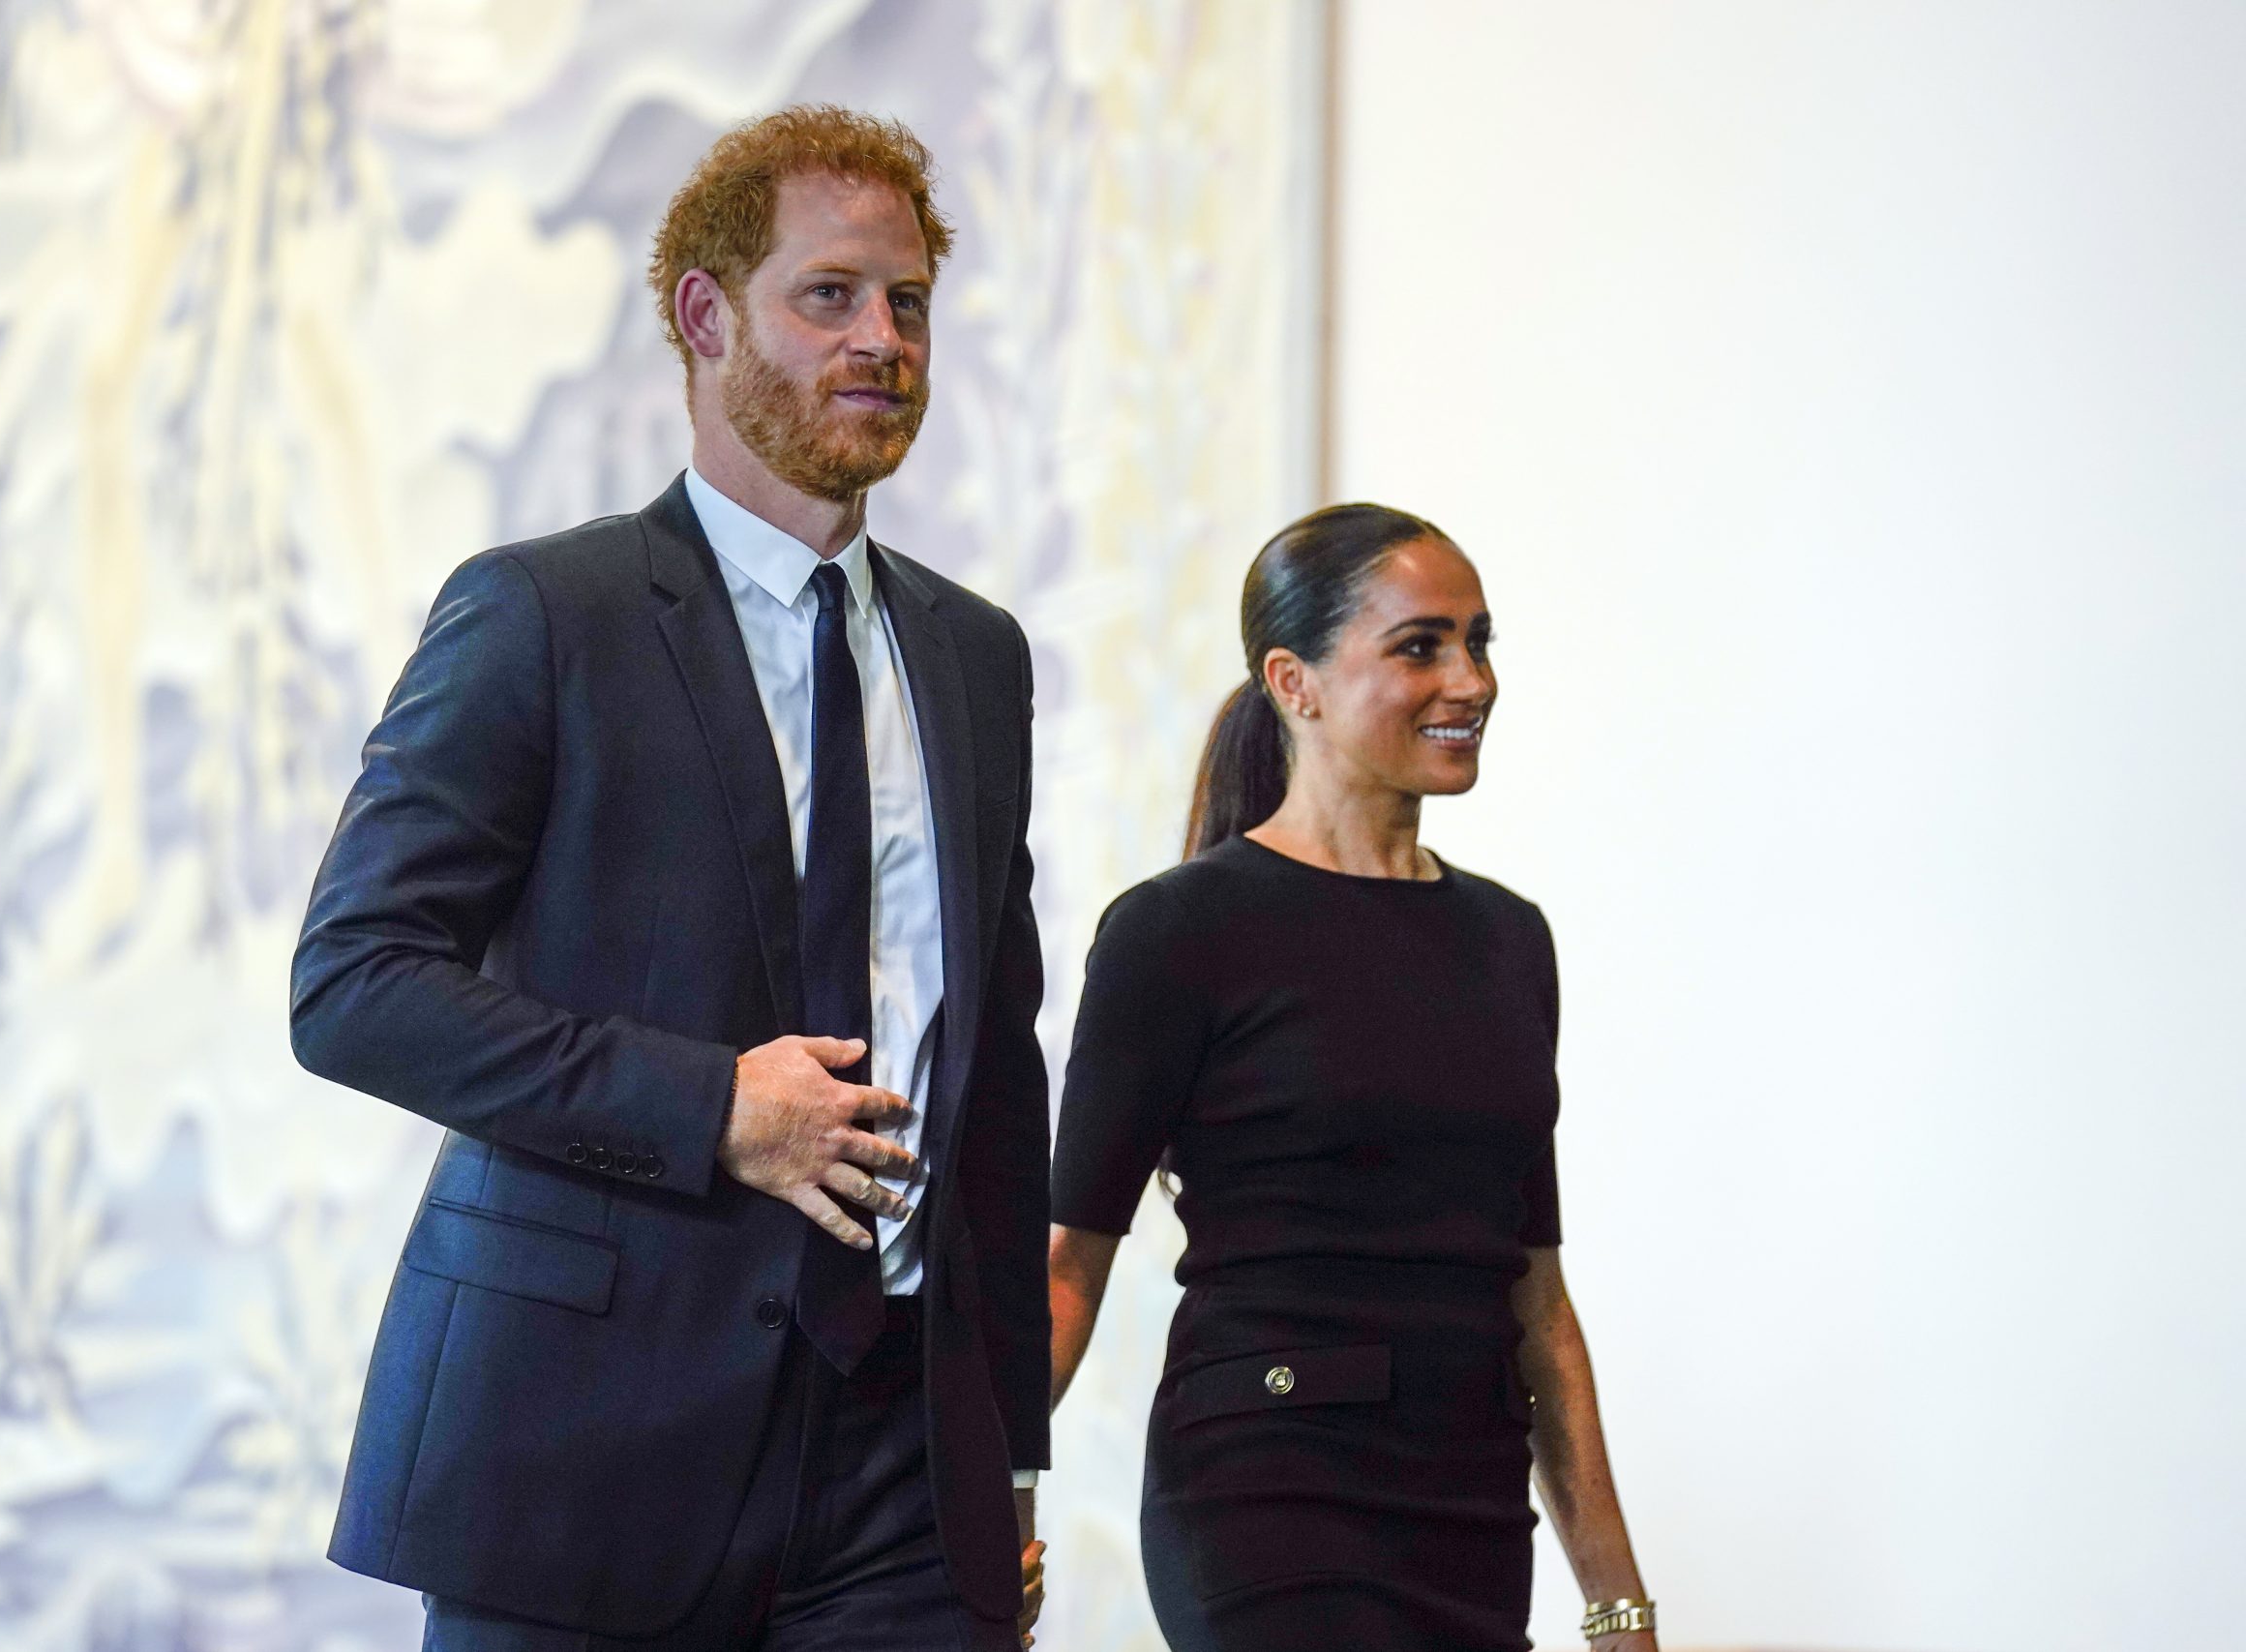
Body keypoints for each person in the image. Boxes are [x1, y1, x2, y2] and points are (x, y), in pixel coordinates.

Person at [290, 106, 1049, 1651]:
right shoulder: (541, 614)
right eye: (829, 294)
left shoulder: (974, 655)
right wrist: (714, 1105)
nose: (884, 338)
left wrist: (1011, 1455)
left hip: (904, 1471)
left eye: (908, 301)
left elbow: (998, 1065)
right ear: (706, 317)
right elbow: (354, 984)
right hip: (585, 1446)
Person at [1044, 504, 1661, 1651]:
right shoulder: (1177, 933)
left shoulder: (1509, 940)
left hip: (1468, 1507)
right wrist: (985, 1509)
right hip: (1264, 1492)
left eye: (1477, 642)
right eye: (1420, 646)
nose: (1469, 682)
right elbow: (1067, 1267)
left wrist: (1618, 1607)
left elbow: (1536, 1298)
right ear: (1295, 683)